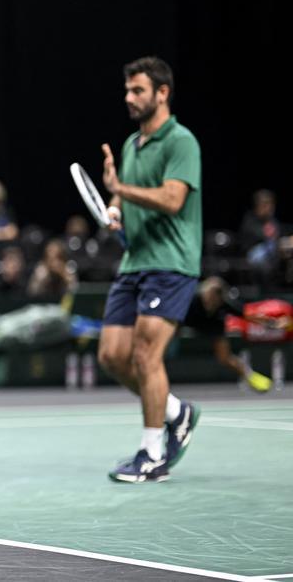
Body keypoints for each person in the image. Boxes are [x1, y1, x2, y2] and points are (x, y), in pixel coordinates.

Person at [98, 56, 202, 483]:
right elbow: (126, 197)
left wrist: (120, 189)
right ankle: (177, 411)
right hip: (134, 262)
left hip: (171, 264)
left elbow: (173, 199)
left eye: (138, 90)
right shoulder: (130, 144)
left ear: (162, 93)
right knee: (111, 355)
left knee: (145, 355)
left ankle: (153, 454)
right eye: (127, 90)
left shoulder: (182, 142)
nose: (129, 97)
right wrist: (114, 208)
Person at [182, 277, 274, 392]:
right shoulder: (191, 299)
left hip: (213, 326)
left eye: (214, 297)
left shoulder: (225, 304)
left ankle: (250, 376)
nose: (209, 299)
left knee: (225, 357)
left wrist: (270, 322)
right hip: (190, 322)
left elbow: (247, 315)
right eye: (207, 295)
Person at [240, 190, 292, 287]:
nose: (269, 208)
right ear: (258, 205)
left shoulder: (273, 221)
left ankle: (284, 284)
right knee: (270, 248)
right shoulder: (250, 219)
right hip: (252, 254)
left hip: (272, 254)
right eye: (265, 205)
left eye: (271, 205)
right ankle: (266, 287)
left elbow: (279, 236)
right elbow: (263, 236)